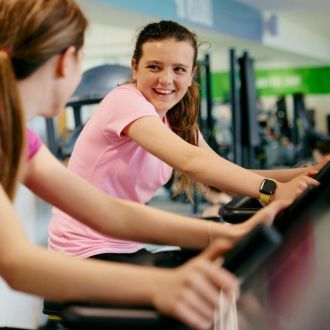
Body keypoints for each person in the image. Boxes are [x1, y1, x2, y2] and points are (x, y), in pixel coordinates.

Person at [0, 1, 247, 328]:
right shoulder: (120, 101)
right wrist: (162, 286)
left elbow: (107, 211)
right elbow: (19, 264)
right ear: (67, 61)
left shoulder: (20, 138)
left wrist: (223, 235)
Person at [49, 20, 322, 259]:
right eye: (154, 67)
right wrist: (273, 190)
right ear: (135, 67)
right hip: (83, 250)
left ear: (191, 74)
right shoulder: (124, 100)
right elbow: (191, 161)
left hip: (125, 244)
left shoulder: (174, 119)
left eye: (179, 69)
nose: (166, 79)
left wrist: (306, 174)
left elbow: (223, 172)